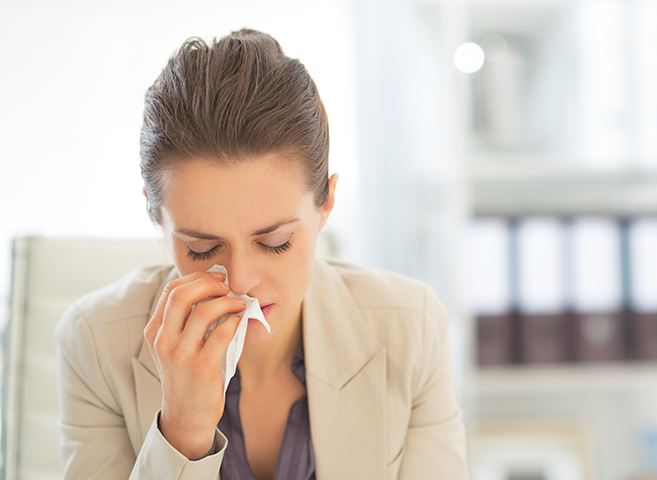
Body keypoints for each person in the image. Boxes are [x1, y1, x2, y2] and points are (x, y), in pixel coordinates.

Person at [55, 28, 468, 480]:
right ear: (157, 217)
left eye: (275, 242)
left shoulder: (412, 326)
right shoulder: (93, 342)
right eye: (201, 248)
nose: (241, 280)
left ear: (326, 202)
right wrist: (182, 433)